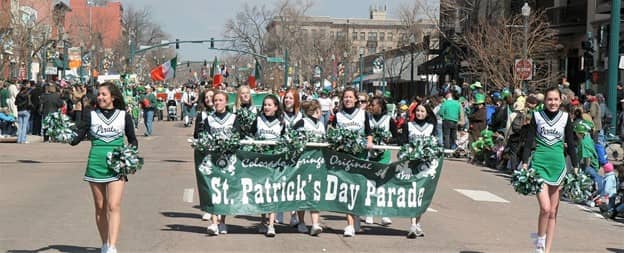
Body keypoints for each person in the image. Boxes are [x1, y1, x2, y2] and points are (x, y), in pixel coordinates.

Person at [70, 82, 138, 253]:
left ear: (113, 97)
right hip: (96, 163)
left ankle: (112, 246)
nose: (100, 97)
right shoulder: (91, 115)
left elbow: (133, 140)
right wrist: (77, 108)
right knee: (100, 206)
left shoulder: (123, 116)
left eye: (104, 94)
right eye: (98, 94)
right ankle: (105, 243)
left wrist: (129, 155)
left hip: (117, 164)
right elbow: (75, 139)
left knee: (113, 205)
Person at [521, 87, 578, 253]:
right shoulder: (537, 116)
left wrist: (575, 166)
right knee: (545, 208)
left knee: (553, 212)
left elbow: (571, 144)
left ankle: (547, 250)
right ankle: (540, 241)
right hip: (539, 164)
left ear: (561, 101)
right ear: (544, 101)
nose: (553, 103)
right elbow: (529, 140)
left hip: (558, 166)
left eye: (556, 99)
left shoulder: (566, 118)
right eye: (549, 99)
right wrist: (525, 163)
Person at [328, 87, 374, 237]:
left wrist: (369, 142)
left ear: (356, 99)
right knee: (348, 189)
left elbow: (369, 132)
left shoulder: (363, 114)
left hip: (360, 157)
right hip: (344, 158)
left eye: (350, 97)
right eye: (345, 97)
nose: (347, 99)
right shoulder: (338, 115)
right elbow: (333, 135)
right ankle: (349, 224)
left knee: (359, 188)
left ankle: (357, 217)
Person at [200, 91, 239, 236]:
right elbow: (203, 137)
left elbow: (237, 136)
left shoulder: (233, 118)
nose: (217, 103)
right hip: (213, 160)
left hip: (228, 160)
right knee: (213, 190)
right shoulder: (208, 120)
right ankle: (214, 223)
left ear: (226, 102)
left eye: (220, 100)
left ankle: (223, 222)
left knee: (225, 191)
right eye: (215, 100)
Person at [248, 94, 285, 237]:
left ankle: (271, 224)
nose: (267, 107)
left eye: (270, 105)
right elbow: (251, 136)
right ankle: (262, 221)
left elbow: (284, 138)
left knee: (273, 191)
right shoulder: (258, 119)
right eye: (265, 105)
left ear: (276, 107)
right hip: (261, 160)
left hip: (275, 160)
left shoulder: (281, 122)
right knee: (262, 190)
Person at [400, 103, 438, 238]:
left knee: (422, 194)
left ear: (427, 113)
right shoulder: (408, 125)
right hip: (412, 164)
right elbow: (403, 143)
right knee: (413, 193)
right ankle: (412, 224)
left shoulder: (432, 126)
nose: (419, 113)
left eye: (422, 111)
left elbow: (436, 144)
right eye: (417, 111)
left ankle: (418, 223)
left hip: (427, 166)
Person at [292, 100, 326, 235]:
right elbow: (294, 139)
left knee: (315, 192)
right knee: (302, 191)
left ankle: (315, 223)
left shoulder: (321, 125)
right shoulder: (302, 122)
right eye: (319, 110)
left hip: (317, 163)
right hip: (304, 163)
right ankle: (301, 221)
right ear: (315, 110)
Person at [364, 96, 398, 226]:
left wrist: (389, 140)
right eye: (370, 105)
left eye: (373, 105)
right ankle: (369, 212)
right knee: (370, 184)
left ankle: (384, 214)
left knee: (383, 184)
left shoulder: (389, 120)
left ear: (381, 106)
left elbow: (396, 137)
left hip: (384, 155)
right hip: (370, 155)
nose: (371, 107)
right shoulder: (367, 118)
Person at [193, 89, 216, 223]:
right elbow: (196, 134)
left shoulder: (226, 113)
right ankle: (208, 209)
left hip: (220, 152)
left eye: (211, 96)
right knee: (207, 181)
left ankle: (219, 209)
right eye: (206, 97)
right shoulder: (201, 115)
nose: (209, 99)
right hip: (205, 151)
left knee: (219, 181)